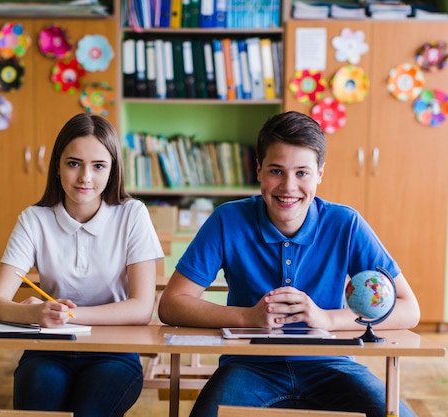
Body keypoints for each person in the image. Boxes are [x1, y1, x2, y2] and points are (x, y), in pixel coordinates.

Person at [158, 111, 421, 417]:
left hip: (331, 365)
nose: (288, 186)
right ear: (258, 170)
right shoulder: (227, 220)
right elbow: (171, 304)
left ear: (320, 174)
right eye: (276, 171)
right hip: (248, 364)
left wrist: (327, 320)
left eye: (302, 173)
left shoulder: (345, 223)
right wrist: (248, 318)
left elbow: (408, 308)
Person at [0, 113, 164, 417]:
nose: (85, 178)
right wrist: (33, 313)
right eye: (73, 163)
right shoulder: (34, 219)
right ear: (56, 166)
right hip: (48, 351)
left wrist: (69, 315)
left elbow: (141, 308)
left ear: (112, 170)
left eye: (98, 166)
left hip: (114, 354)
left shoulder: (132, 214)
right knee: (39, 401)